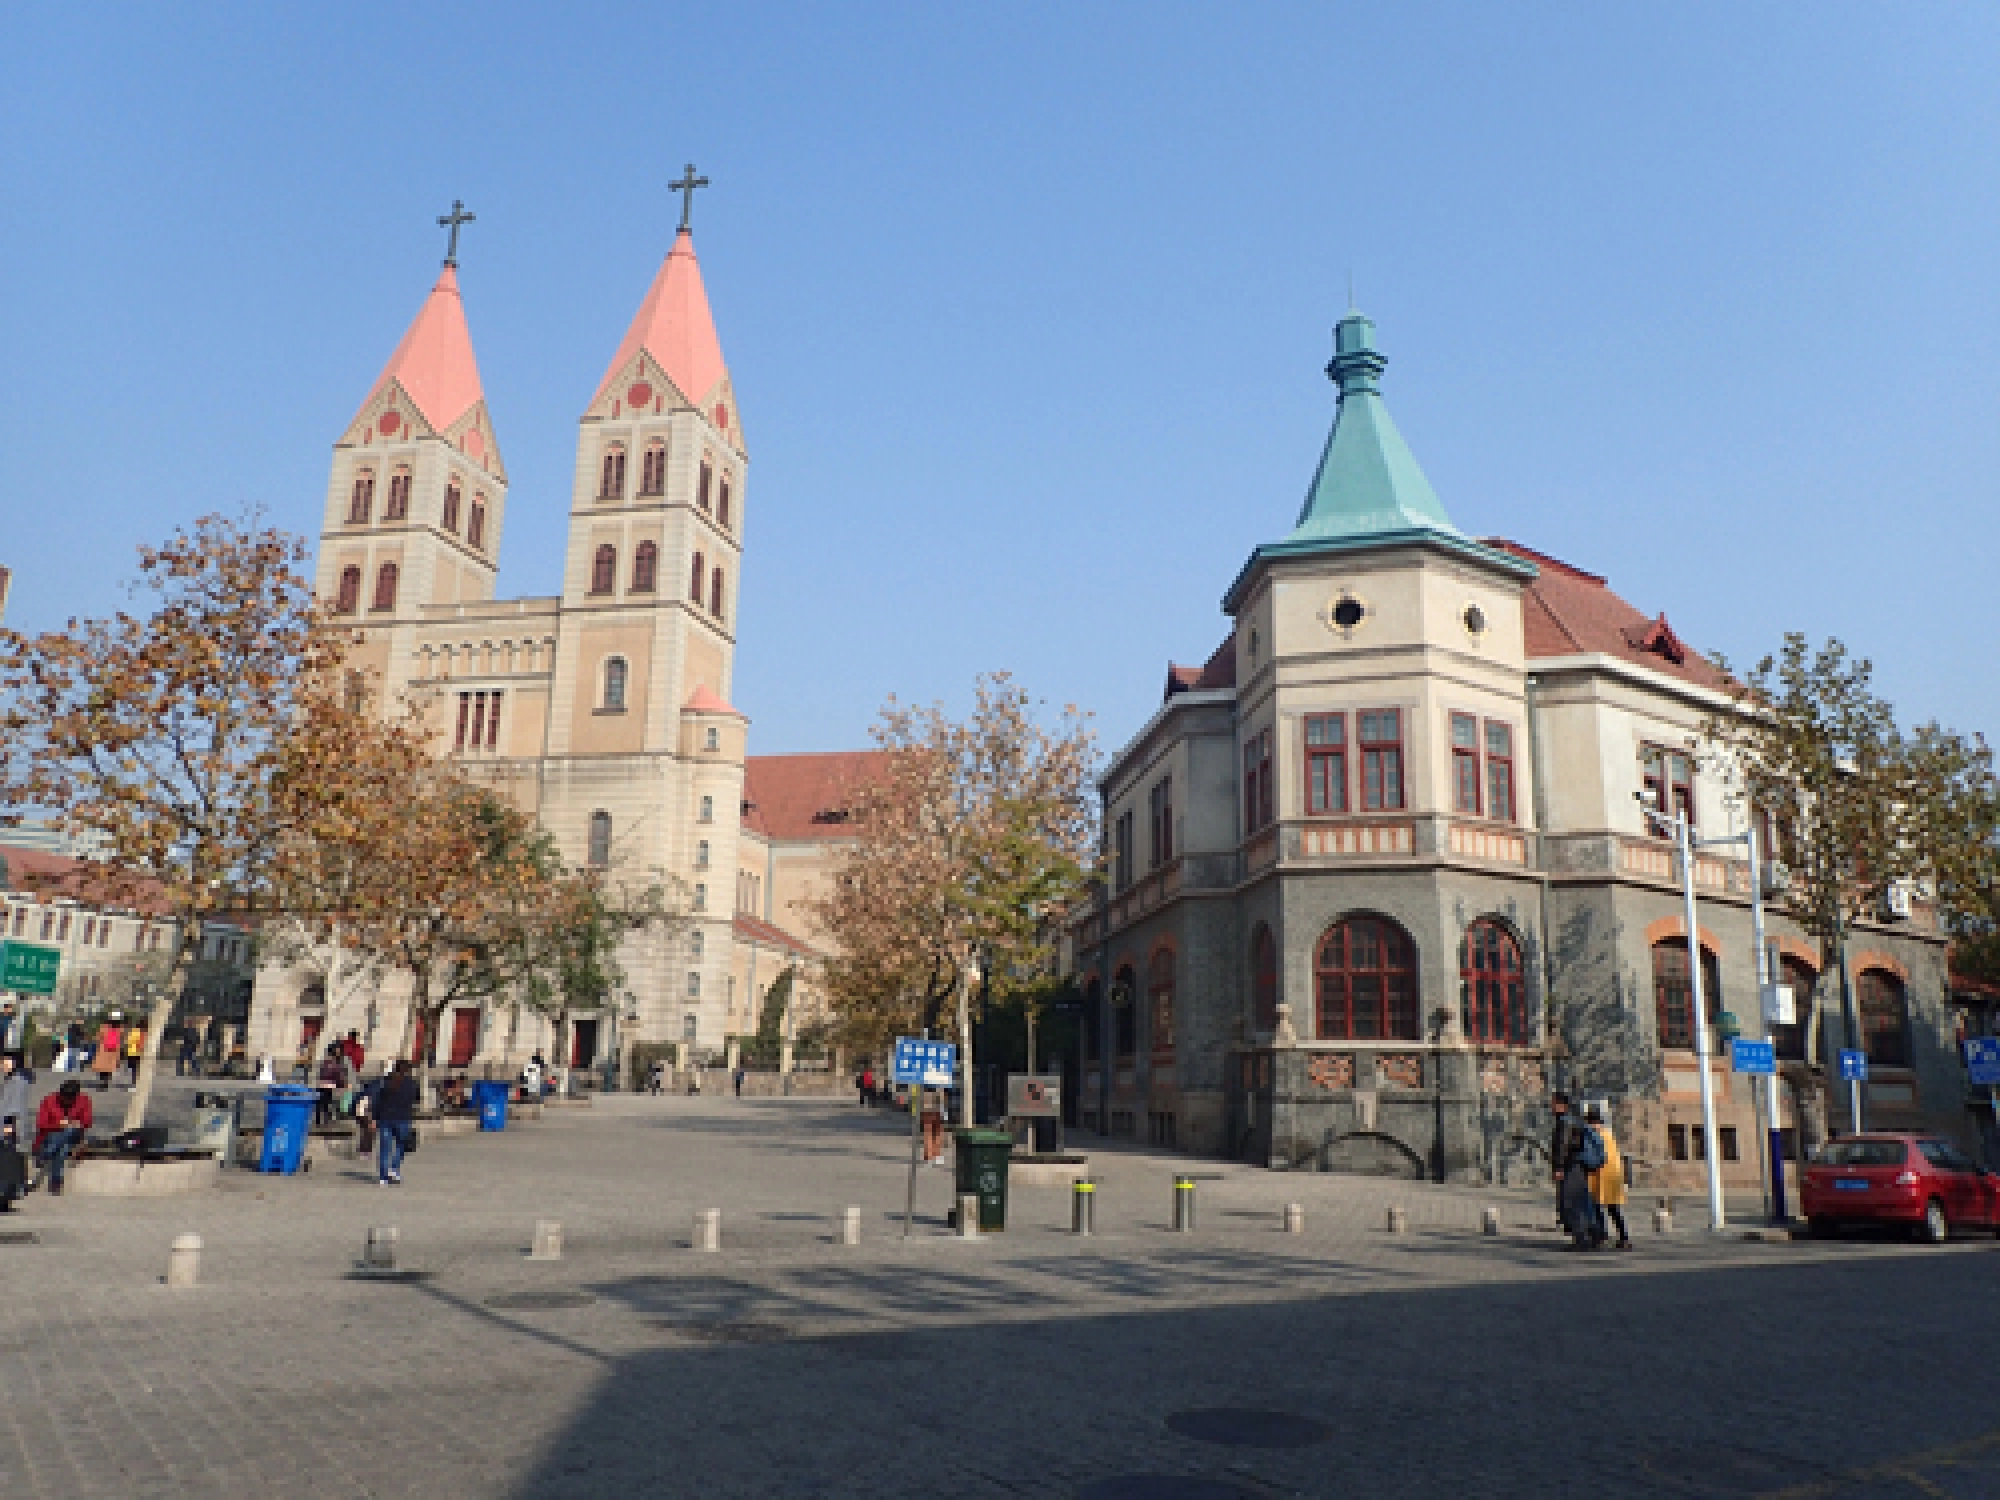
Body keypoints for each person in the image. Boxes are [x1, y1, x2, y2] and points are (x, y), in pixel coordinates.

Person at [1549, 1090, 1596, 1249]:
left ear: (1561, 1105)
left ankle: (1581, 1238)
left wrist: (1559, 1167)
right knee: (1579, 1201)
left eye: (1553, 1103)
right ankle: (1586, 1235)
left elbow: (1562, 1146)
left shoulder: (1565, 1122)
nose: (1551, 1106)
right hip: (1577, 1166)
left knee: (1572, 1202)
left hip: (1571, 1167)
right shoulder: (1573, 1120)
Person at [33, 1080, 93, 1196]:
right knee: (62, 1149)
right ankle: (56, 1182)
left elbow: (87, 1121)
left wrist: (73, 1123)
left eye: (70, 1099)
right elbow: (41, 1124)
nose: (66, 1101)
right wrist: (59, 1125)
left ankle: (46, 1154)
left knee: (69, 1131)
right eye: (64, 1098)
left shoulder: (84, 1100)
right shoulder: (49, 1100)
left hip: (73, 1136)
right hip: (50, 1136)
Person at [1584, 1104, 1631, 1250]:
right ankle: (1623, 1238)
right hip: (1611, 1177)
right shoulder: (1608, 1136)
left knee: (1599, 1208)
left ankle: (1602, 1236)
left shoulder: (1597, 1137)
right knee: (1613, 1209)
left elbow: (1596, 1157)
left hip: (1602, 1176)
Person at [373, 1060, 418, 1186]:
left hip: (385, 1119)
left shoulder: (385, 1082)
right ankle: (394, 1168)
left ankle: (383, 1177)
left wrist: (375, 1118)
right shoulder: (411, 1084)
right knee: (401, 1145)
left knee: (384, 1149)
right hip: (402, 1118)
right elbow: (414, 1100)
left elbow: (377, 1101)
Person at [0, 1053, 34, 1147]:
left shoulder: (17, 1081)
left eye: (4, 1063)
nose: (1, 1066)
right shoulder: (15, 1078)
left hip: (10, 1118)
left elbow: (13, 1106)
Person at [315, 1044, 347, 1127]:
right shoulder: (333, 1063)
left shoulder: (326, 1062)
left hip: (323, 1085)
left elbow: (323, 1074)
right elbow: (337, 1075)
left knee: (322, 1103)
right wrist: (342, 1084)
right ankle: (324, 1120)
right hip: (327, 1086)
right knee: (325, 1103)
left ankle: (320, 1121)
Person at [92, 1017, 122, 1091]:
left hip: (103, 1050)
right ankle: (106, 1084)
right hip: (114, 1051)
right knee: (109, 1069)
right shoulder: (120, 1029)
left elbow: (97, 1038)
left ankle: (102, 1084)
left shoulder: (104, 1028)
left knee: (102, 1069)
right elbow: (120, 1040)